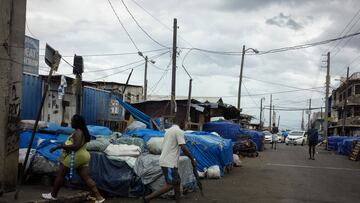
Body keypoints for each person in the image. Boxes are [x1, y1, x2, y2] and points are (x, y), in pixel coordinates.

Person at [41, 115, 105, 203]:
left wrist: (62, 146)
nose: (71, 123)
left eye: (72, 121)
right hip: (84, 156)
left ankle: (53, 195)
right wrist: (58, 146)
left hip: (76, 156)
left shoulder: (78, 132)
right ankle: (99, 197)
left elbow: (76, 146)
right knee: (86, 178)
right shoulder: (81, 131)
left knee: (60, 175)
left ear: (77, 123)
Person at [144, 124, 196, 203]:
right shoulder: (179, 131)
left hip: (170, 161)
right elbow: (183, 147)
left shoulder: (169, 130)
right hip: (169, 162)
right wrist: (192, 159)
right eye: (187, 123)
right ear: (183, 123)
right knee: (171, 184)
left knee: (177, 182)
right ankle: (148, 198)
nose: (188, 125)